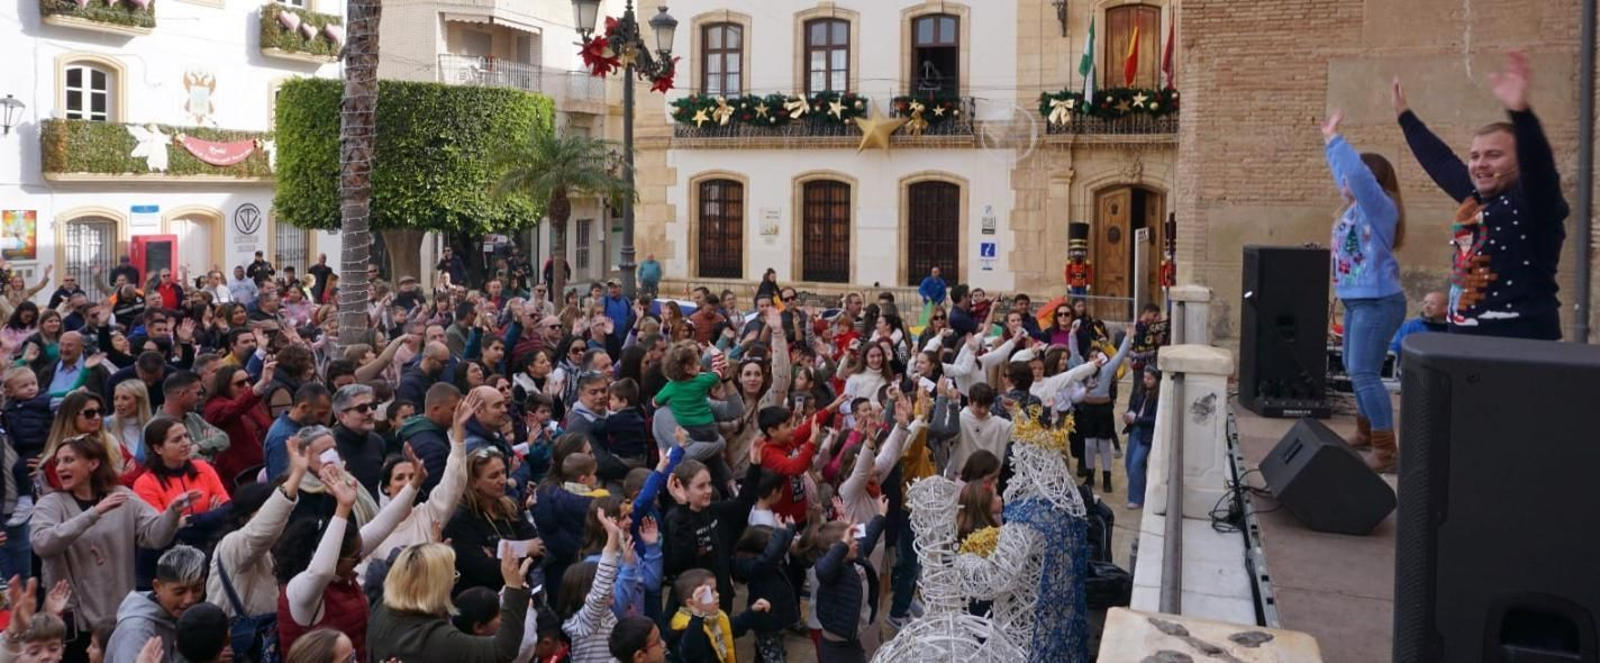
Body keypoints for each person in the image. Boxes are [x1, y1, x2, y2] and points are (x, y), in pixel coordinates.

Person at [1394, 52, 1566, 340]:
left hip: (1520, 345)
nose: (1480, 164)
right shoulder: (1473, 198)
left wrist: (1521, 115)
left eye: (1494, 155)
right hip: (1463, 343)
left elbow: (1540, 167)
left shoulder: (1533, 203)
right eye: (1474, 156)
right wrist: (1405, 118)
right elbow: (1441, 162)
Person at [31, 436, 191, 660]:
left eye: (68, 460)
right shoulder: (51, 503)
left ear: (93, 463)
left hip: (118, 618)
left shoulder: (121, 496)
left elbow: (155, 536)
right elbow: (42, 543)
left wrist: (172, 513)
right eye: (57, 462)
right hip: (74, 624)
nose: (60, 468)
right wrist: (94, 513)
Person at [1323, 108, 1407, 474]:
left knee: (1365, 372)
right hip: (1358, 302)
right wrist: (1331, 150)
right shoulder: (1352, 210)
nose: (1343, 181)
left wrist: (1336, 140)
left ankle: (1386, 449)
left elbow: (1356, 175)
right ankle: (1366, 431)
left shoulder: (1379, 208)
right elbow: (1346, 174)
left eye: (1351, 177)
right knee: (1354, 368)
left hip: (1378, 302)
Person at [366, 542, 532, 663]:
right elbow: (502, 651)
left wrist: (432, 558)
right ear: (436, 588)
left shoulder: (381, 607)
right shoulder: (435, 639)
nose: (453, 584)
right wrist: (513, 588)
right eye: (452, 577)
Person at [102, 545, 207, 663]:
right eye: (179, 592)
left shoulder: (195, 618)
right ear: (157, 587)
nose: (189, 600)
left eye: (197, 589)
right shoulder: (137, 630)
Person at [1123, 368, 1161, 510]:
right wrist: (1128, 415)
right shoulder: (1141, 390)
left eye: (1149, 378)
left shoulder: (1158, 396)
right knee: (1130, 463)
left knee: (1136, 463)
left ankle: (1136, 498)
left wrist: (1137, 419)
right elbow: (1133, 406)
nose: (1146, 381)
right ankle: (1138, 491)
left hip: (1146, 433)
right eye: (1145, 378)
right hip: (1135, 429)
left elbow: (1155, 418)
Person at [1390, 291, 1448, 357]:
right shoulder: (1410, 326)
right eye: (1425, 303)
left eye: (1432, 303)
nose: (1427, 306)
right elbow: (1395, 347)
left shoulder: (1453, 328)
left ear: (1445, 308)